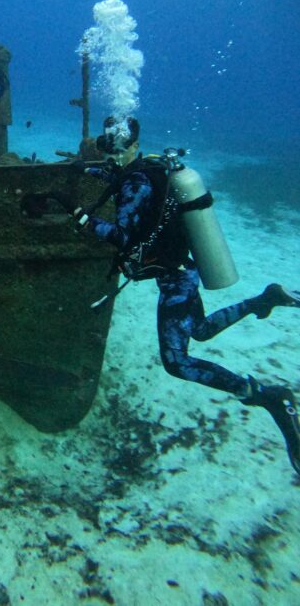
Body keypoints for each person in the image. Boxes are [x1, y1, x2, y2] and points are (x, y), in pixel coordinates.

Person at [70, 116, 300, 476]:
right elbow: (124, 183)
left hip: (176, 281)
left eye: (114, 147)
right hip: (184, 270)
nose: (110, 154)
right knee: (203, 329)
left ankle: (265, 395)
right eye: (107, 146)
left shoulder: (136, 180)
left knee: (177, 362)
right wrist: (89, 171)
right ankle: (265, 298)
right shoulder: (150, 168)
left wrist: (82, 219)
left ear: (129, 146)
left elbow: (124, 237)